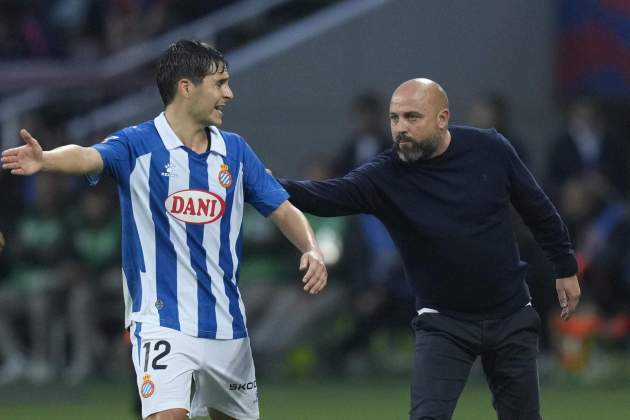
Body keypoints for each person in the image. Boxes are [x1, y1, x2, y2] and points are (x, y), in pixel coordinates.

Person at [2, 40, 328, 420]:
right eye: (220, 83)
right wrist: (47, 160)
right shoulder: (137, 145)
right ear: (186, 87)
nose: (229, 93)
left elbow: (283, 208)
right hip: (160, 321)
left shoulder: (236, 152)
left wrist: (311, 248)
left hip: (227, 325)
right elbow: (87, 154)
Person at [277, 78, 581, 420]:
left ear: (442, 118)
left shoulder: (490, 148)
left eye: (412, 117)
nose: (400, 128)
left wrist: (565, 267)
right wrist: (261, 182)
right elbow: (324, 196)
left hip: (510, 314)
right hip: (444, 323)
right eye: (394, 119)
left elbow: (538, 210)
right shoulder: (385, 176)